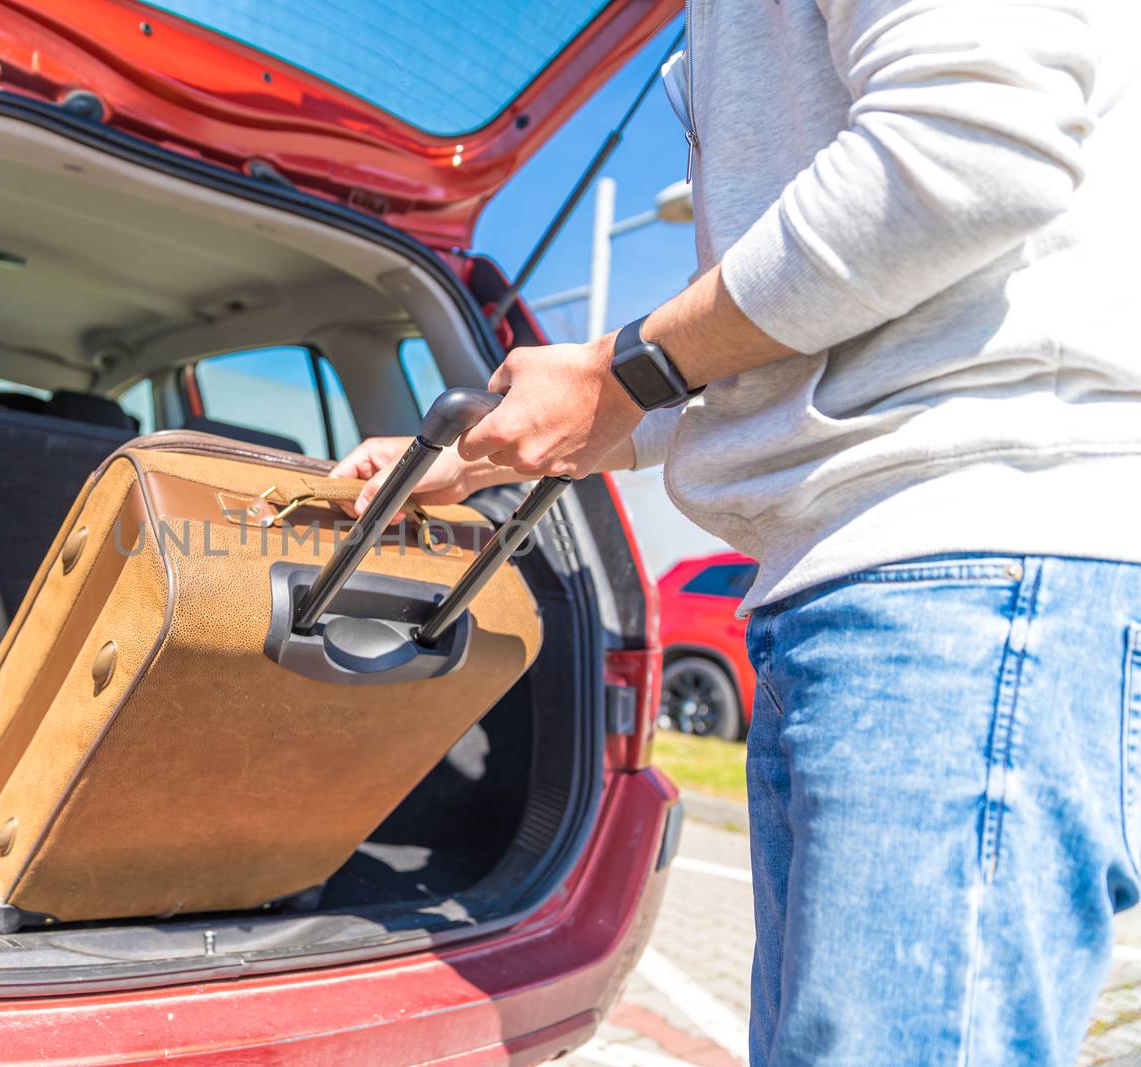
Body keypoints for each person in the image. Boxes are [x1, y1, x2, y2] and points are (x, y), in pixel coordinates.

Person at [333, 3, 1140, 1063]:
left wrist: (621, 367)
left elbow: (972, 148)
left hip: (962, 572)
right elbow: (774, 344)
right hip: (873, 585)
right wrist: (465, 459)